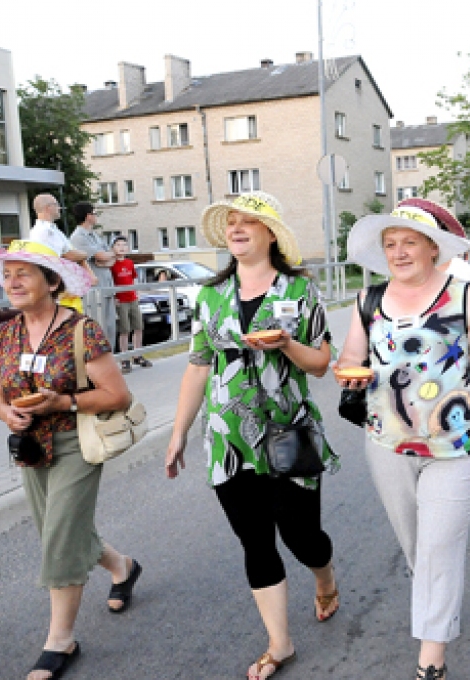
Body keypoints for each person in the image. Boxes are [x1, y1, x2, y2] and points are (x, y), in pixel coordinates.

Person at [338, 200, 470, 680]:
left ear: (432, 248)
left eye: (410, 242)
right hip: (387, 445)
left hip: (457, 447)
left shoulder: (464, 296)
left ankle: (432, 659)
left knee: (437, 547)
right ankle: (440, 607)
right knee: (416, 546)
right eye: (391, 244)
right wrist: (349, 374)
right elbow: (350, 357)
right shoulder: (367, 302)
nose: (400, 252)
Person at [164, 191, 339, 680]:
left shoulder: (299, 291)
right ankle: (279, 644)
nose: (237, 229)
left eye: (248, 222)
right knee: (256, 541)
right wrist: (178, 432)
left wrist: (287, 346)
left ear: (270, 234)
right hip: (228, 439)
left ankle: (324, 576)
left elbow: (322, 363)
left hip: (289, 431)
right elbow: (199, 366)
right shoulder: (210, 296)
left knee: (302, 537)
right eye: (232, 223)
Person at [0, 239, 141, 680]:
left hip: (75, 445)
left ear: (51, 281)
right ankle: (123, 566)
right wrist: (7, 412)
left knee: (60, 539)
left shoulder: (81, 330)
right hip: (29, 451)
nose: (13, 282)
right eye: (7, 275)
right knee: (60, 531)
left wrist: (60, 403)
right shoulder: (3, 336)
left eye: (23, 273)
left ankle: (60, 640)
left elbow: (117, 395)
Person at [28, 193, 94, 313]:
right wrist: (84, 254)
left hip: (66, 290)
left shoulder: (52, 230)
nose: (60, 209)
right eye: (57, 205)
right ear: (48, 208)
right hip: (60, 292)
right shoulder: (45, 232)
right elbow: (66, 255)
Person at [69, 202, 117, 344]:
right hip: (94, 291)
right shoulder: (78, 237)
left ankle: (111, 360)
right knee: (98, 328)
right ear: (88, 216)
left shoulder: (95, 236)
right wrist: (103, 257)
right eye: (94, 213)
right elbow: (101, 256)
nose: (96, 216)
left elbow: (112, 257)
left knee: (110, 327)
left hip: (107, 287)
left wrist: (105, 257)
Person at [109, 236, 152, 373]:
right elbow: (110, 283)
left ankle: (137, 355)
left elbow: (132, 279)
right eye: (118, 245)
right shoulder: (111, 264)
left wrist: (136, 293)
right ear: (113, 248)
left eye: (124, 245)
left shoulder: (129, 263)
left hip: (132, 298)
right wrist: (114, 297)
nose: (121, 247)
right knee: (124, 330)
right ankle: (124, 358)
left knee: (138, 327)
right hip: (121, 301)